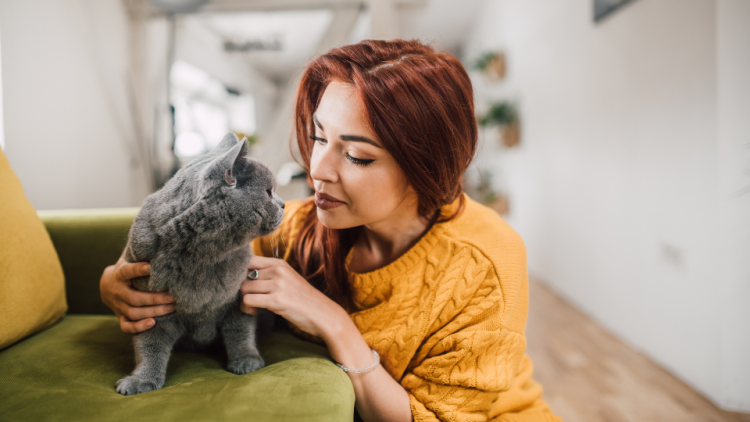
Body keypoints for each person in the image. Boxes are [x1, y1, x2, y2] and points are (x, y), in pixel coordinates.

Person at [100, 39, 562, 422]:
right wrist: (114, 283)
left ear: (425, 166)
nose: (316, 168)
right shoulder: (300, 226)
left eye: (357, 156)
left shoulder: (485, 265)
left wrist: (332, 321)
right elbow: (183, 253)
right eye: (320, 136)